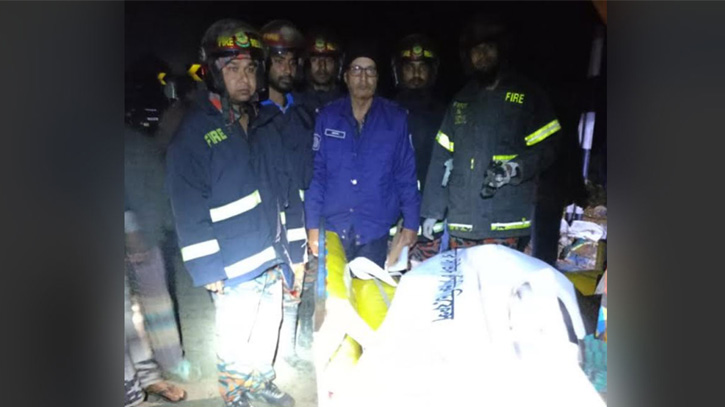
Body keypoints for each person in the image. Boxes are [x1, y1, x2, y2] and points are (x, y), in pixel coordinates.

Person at [165, 19, 295, 407]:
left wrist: (291, 246)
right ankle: (235, 392)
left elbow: (281, 185)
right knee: (236, 333)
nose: (244, 79)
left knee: (268, 325)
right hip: (231, 261)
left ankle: (260, 380)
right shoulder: (195, 134)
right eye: (233, 68)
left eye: (251, 68)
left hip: (269, 252)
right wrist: (208, 268)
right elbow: (187, 204)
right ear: (213, 72)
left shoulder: (264, 122)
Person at [421, 14, 560, 252]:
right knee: (462, 277)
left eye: (488, 48)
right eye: (476, 51)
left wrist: (516, 168)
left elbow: (549, 146)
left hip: (507, 221)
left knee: (504, 278)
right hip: (462, 222)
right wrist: (432, 212)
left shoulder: (526, 96)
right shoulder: (461, 100)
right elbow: (441, 159)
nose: (482, 56)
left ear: (501, 50)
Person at [304, 40, 420, 269]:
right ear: (346, 76)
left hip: (375, 231)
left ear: (377, 78)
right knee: (332, 290)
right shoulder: (327, 117)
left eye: (370, 71)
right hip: (334, 228)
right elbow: (316, 175)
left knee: (371, 290)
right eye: (357, 70)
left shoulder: (395, 119)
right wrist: (312, 226)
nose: (363, 78)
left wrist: (411, 224)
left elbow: (406, 175)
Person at [257, 19, 315, 368]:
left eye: (292, 61)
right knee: (269, 289)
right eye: (279, 60)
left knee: (298, 282)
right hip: (267, 221)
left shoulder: (304, 113)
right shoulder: (251, 115)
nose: (287, 69)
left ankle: (290, 351)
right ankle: (269, 357)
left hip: (301, 217)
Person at [125, 123, 200, 382]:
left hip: (146, 231)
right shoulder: (132, 142)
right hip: (139, 235)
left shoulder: (139, 141)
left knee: (152, 303)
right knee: (150, 304)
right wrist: (132, 228)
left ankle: (161, 364)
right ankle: (157, 367)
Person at [390, 33, 448, 265]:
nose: (416, 74)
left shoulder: (447, 113)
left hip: (432, 224)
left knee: (429, 281)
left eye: (422, 67)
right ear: (398, 71)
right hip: (392, 222)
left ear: (433, 71)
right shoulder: (384, 112)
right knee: (389, 281)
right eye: (409, 68)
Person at [297, 27, 345, 114]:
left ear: (338, 64)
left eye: (328, 60)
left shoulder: (348, 102)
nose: (322, 67)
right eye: (315, 60)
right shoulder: (293, 101)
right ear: (304, 63)